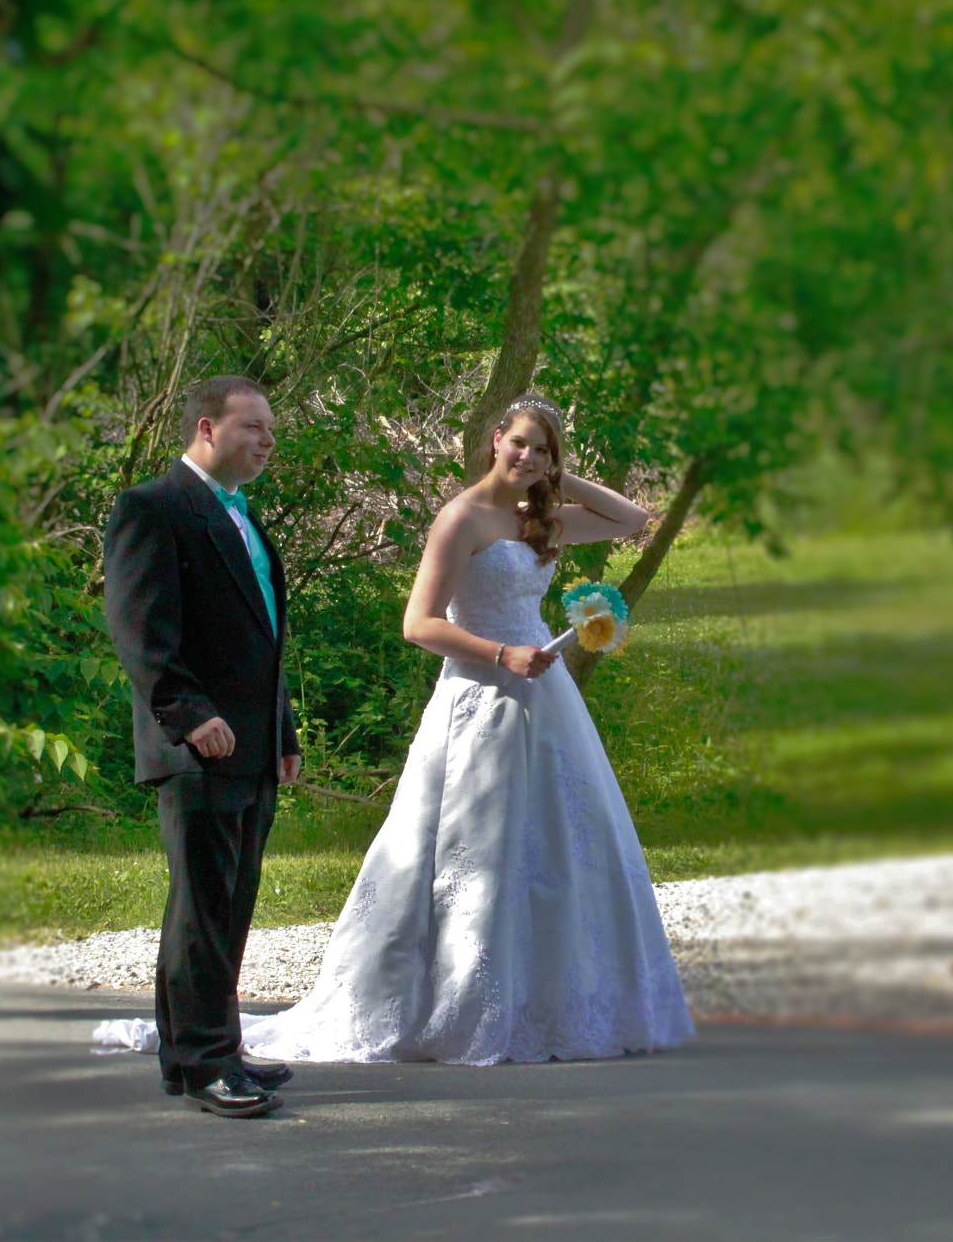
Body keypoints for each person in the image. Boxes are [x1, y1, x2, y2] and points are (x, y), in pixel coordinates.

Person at [241, 396, 695, 1064]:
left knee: (560, 843)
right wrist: (500, 653)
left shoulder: (536, 521)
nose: (527, 456)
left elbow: (631, 519)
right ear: (494, 439)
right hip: (482, 696)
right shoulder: (460, 519)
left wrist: (555, 479)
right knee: (474, 848)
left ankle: (548, 1004)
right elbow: (418, 623)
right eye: (519, 443)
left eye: (542, 448)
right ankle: (456, 1001)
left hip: (547, 700)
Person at [104, 375, 304, 1117]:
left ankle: (216, 1046)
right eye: (253, 427)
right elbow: (140, 630)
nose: (267, 441)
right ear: (205, 428)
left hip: (252, 747)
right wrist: (187, 714)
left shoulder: (245, 519)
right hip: (197, 747)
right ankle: (200, 1063)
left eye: (270, 430)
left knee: (230, 902)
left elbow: (263, 641)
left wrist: (282, 731)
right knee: (201, 905)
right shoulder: (152, 509)